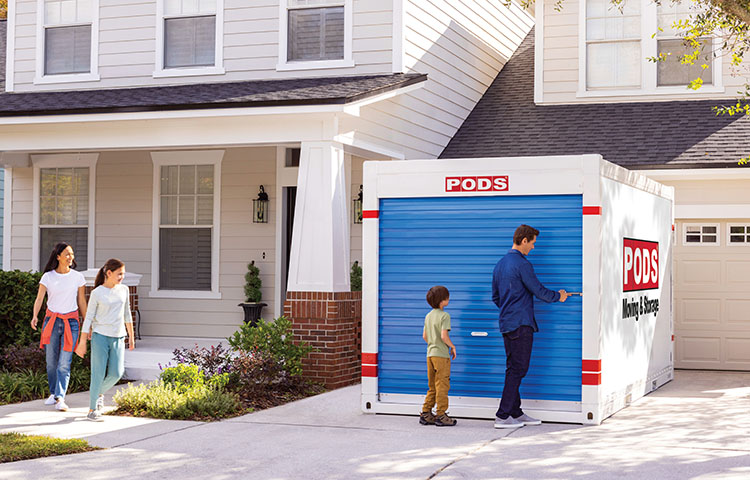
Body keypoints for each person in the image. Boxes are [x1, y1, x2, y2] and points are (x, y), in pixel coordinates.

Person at [492, 225, 569, 429]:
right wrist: (558, 296)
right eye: (533, 242)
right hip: (521, 324)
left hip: (507, 323)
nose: (534, 247)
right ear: (524, 240)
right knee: (518, 369)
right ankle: (502, 415)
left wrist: (510, 309)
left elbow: (496, 297)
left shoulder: (500, 264)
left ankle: (515, 413)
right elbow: (538, 290)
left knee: (513, 368)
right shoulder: (522, 264)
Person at [75, 258, 135, 422]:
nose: (122, 277)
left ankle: (97, 393)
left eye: (123, 274)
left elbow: (127, 313)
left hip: (118, 336)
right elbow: (88, 318)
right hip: (100, 336)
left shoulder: (124, 290)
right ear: (109, 273)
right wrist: (82, 341)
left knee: (117, 373)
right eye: (119, 274)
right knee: (98, 373)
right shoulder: (97, 293)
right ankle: (92, 409)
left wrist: (131, 336)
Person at [31, 243, 88, 412]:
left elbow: (82, 301)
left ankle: (60, 398)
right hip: (51, 321)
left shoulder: (78, 277)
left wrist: (87, 323)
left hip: (71, 322)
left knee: (64, 363)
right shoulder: (48, 277)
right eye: (67, 254)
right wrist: (35, 316)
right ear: (58, 257)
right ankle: (53, 392)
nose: (71, 257)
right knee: (50, 362)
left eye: (72, 254)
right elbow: (39, 299)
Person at [419, 285, 458, 427]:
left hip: (430, 354)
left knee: (432, 386)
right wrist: (452, 346)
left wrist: (433, 344)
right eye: (447, 297)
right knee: (442, 385)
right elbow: (444, 336)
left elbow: (425, 336)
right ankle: (441, 415)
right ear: (443, 301)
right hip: (441, 356)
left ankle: (426, 413)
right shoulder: (444, 315)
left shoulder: (428, 316)